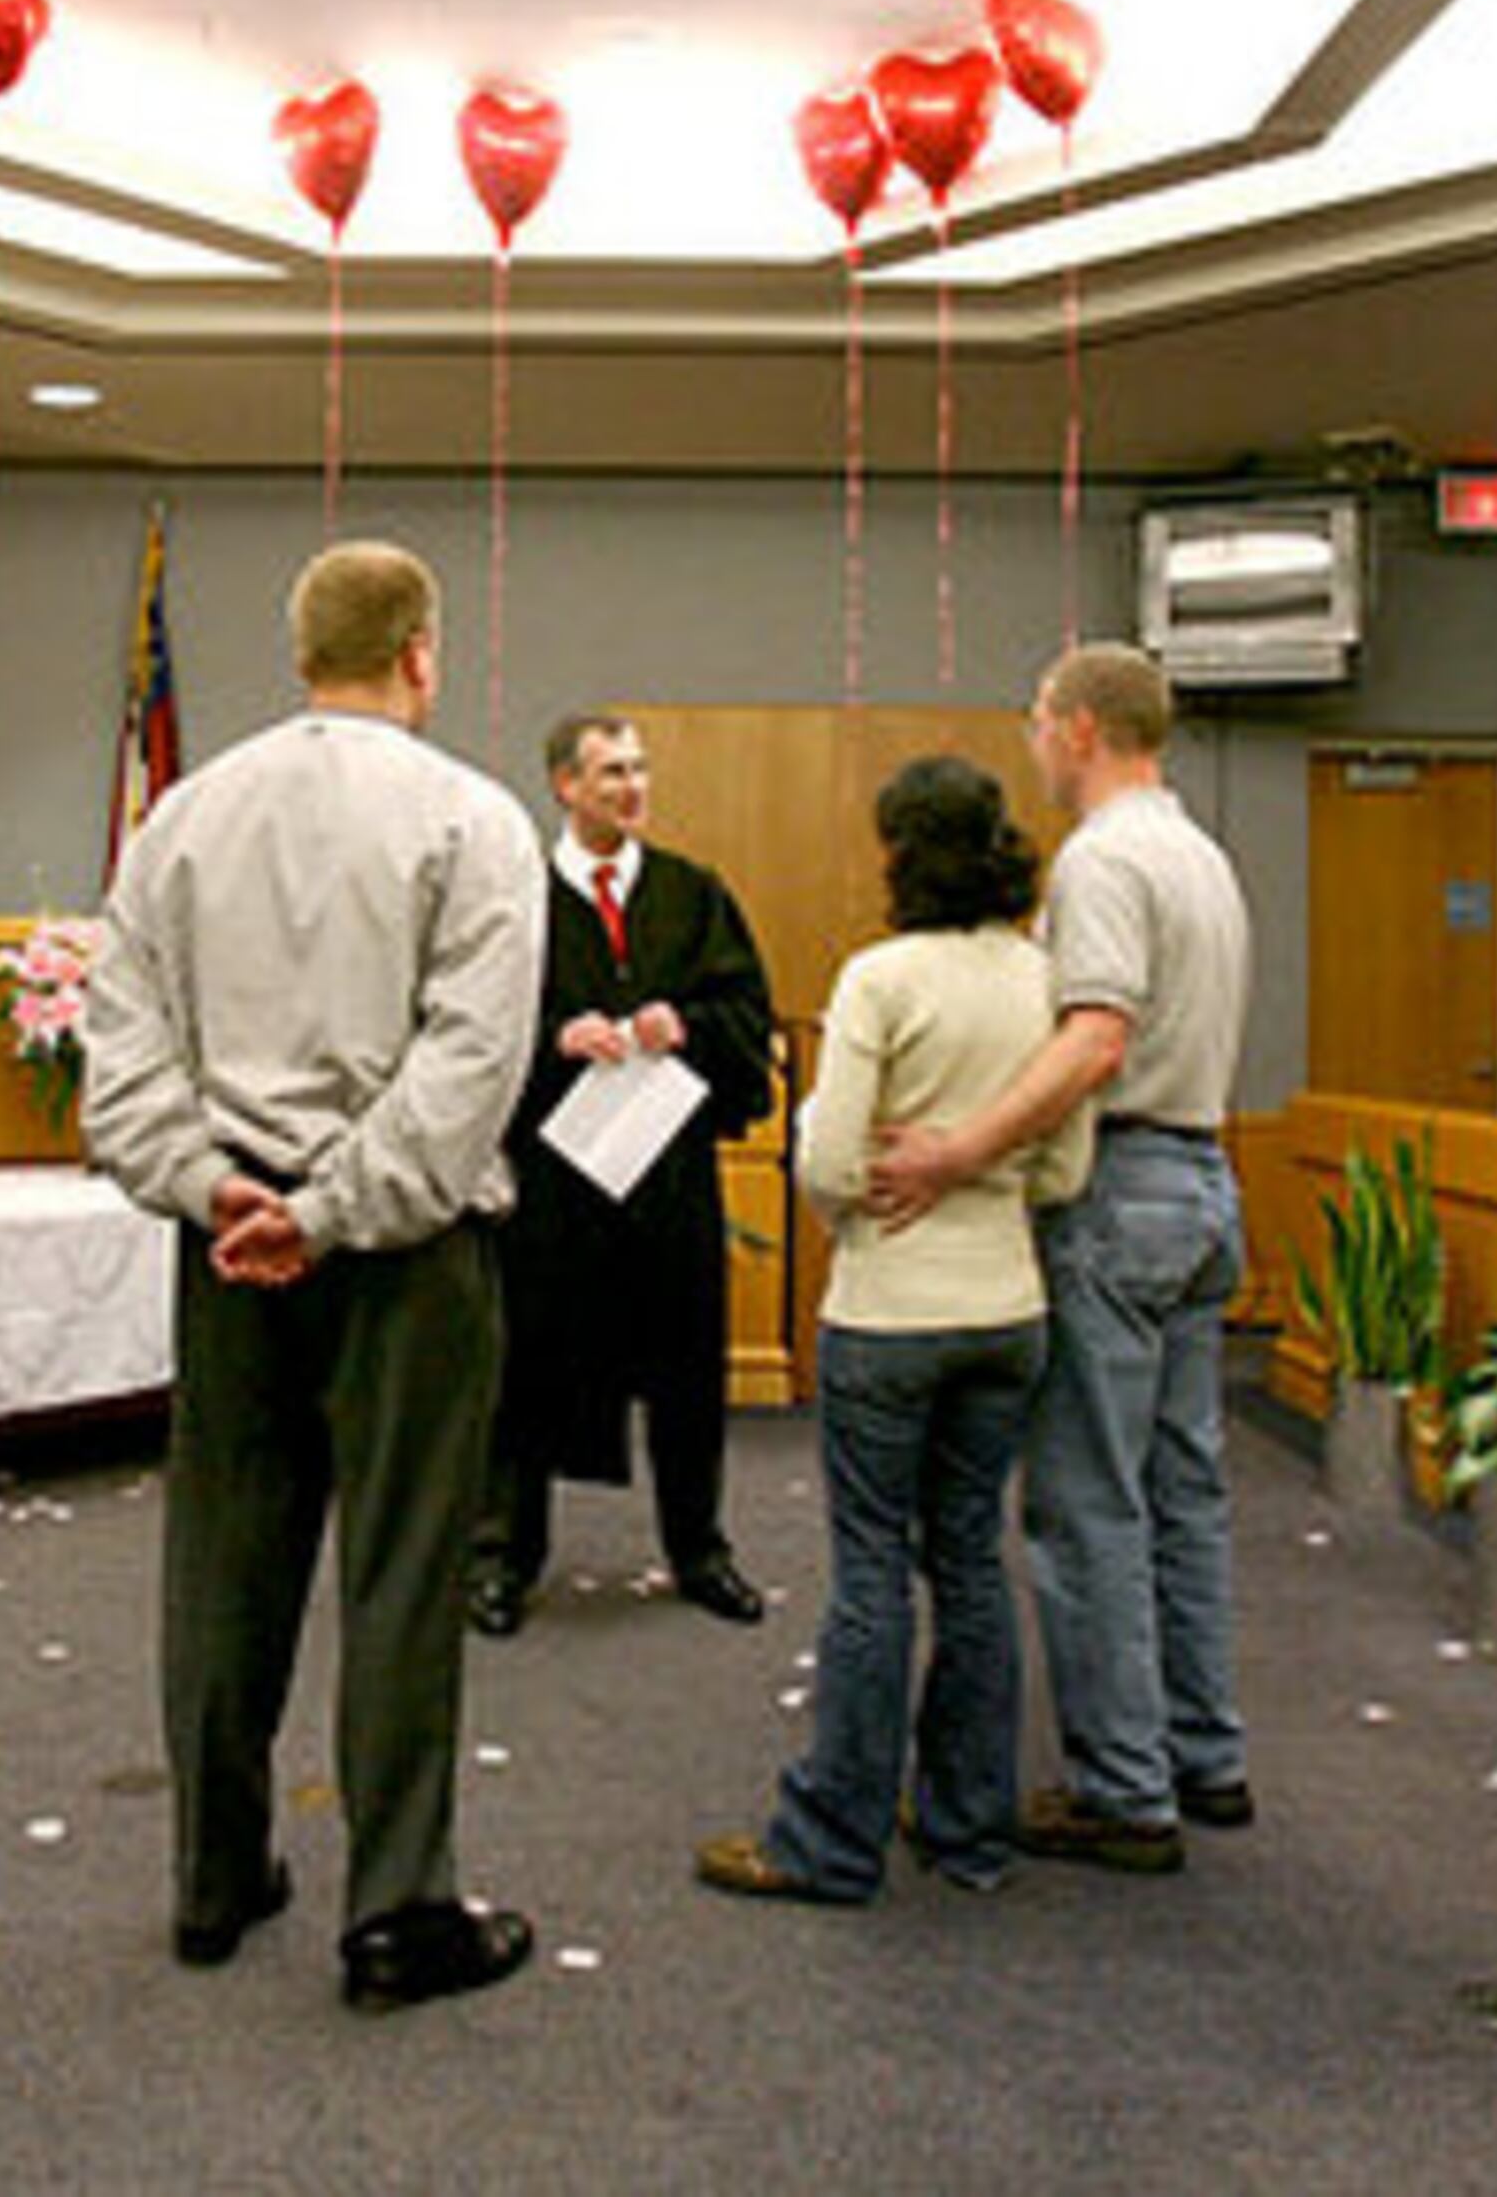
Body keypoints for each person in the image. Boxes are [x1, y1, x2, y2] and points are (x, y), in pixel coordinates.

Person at [82, 539, 546, 2012]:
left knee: (223, 1560)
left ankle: (214, 1880)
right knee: (404, 1570)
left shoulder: (181, 819)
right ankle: (398, 1911)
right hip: (407, 1258)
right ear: (422, 651)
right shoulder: (476, 819)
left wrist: (220, 1185)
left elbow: (123, 1048)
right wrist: (338, 1207)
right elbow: (470, 1069)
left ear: (298, 653)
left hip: (226, 1248)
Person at [867, 642, 1255, 1876]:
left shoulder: (1101, 860)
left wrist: (957, 1149)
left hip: (1124, 1188)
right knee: (1184, 1493)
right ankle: (1205, 1755)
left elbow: (1094, 1042)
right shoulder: (1201, 854)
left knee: (1087, 1501)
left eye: (1038, 719)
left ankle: (1124, 1791)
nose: (1032, 740)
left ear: (1081, 729)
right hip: (1206, 1184)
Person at [694, 756, 1090, 1904]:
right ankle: (968, 1833)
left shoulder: (880, 978)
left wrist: (862, 1214)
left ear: (900, 853)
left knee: (872, 1575)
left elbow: (822, 1157)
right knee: (969, 1562)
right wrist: (983, 1179)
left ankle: (830, 1844)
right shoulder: (1044, 978)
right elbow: (1065, 1163)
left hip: (890, 1315)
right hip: (1009, 1308)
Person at [474, 712, 776, 1636]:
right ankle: (500, 1557)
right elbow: (471, 1037)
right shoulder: (514, 900)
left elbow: (746, 1015)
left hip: (669, 1178)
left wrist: (684, 1024)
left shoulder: (693, 894)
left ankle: (700, 1546)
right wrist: (554, 1041)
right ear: (564, 785)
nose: (633, 787)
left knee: (687, 1367)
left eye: (640, 769)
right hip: (553, 1188)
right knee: (524, 1371)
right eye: (611, 772)